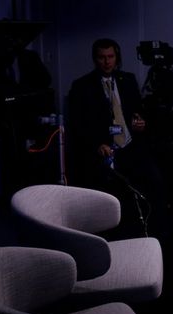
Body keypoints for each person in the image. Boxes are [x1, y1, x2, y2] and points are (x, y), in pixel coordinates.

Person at [67, 38, 167, 239]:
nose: (107, 62)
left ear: (117, 57)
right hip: (104, 150)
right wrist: (97, 144)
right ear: (95, 59)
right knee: (112, 192)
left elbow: (138, 111)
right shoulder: (81, 86)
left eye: (110, 57)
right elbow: (77, 124)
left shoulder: (127, 80)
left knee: (155, 181)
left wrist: (140, 122)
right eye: (102, 57)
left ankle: (155, 234)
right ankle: (116, 235)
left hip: (130, 146)